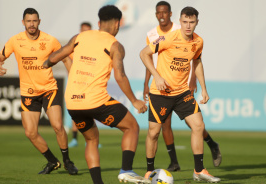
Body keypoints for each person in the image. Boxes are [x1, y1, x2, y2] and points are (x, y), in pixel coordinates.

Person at [43, 5, 150, 184]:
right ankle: (126, 170)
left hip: (73, 102)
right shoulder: (116, 45)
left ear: (99, 22)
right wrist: (134, 100)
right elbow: (120, 75)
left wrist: (46, 63)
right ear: (117, 24)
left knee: (91, 140)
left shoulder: (79, 37)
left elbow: (57, 56)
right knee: (131, 127)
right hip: (96, 100)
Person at [140, 6, 221, 183]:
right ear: (180, 21)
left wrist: (204, 88)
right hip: (160, 93)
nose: (188, 26)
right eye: (185, 21)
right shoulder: (168, 39)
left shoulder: (198, 42)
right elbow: (144, 54)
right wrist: (157, 76)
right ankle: (148, 172)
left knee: (199, 126)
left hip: (182, 92)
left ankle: (199, 170)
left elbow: (197, 62)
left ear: (197, 22)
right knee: (154, 133)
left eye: (192, 22)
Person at [0, 8, 78, 175]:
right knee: (30, 133)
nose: (31, 24)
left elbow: (66, 58)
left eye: (34, 21)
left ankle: (67, 161)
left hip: (48, 89)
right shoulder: (15, 41)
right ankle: (53, 162)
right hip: (28, 92)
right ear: (23, 22)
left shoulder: (50, 40)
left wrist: (74, 81)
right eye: (28, 21)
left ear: (39, 22)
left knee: (58, 126)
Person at [68, 21, 92, 148]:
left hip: (90, 84)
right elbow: (68, 63)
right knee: (76, 113)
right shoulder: (74, 47)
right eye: (83, 30)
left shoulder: (94, 47)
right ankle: (74, 139)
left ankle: (91, 139)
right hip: (76, 85)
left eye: (88, 31)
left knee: (92, 110)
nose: (85, 33)